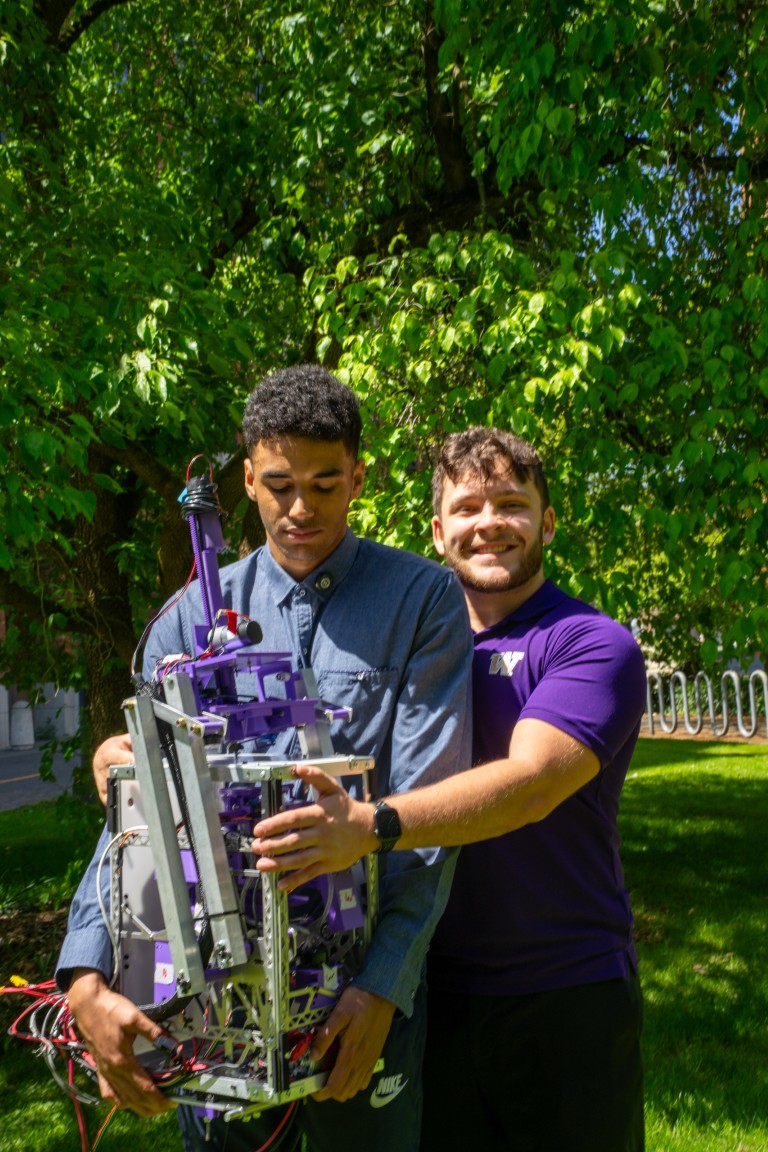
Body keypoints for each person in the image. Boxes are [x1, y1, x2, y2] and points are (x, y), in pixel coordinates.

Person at [55, 365, 473, 1152]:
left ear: (359, 475)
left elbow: (428, 808)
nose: (302, 509)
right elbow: (136, 814)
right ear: (247, 478)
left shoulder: (423, 601)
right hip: (212, 998)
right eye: (279, 485)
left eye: (325, 483)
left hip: (355, 990)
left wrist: (383, 986)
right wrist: (85, 976)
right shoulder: (187, 622)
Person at [253, 425, 647, 1151]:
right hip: (426, 992)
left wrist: (373, 825)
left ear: (547, 521)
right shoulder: (400, 646)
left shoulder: (590, 643)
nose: (489, 523)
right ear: (438, 531)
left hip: (561, 988)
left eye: (512, 503)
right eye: (467, 508)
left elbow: (529, 785)